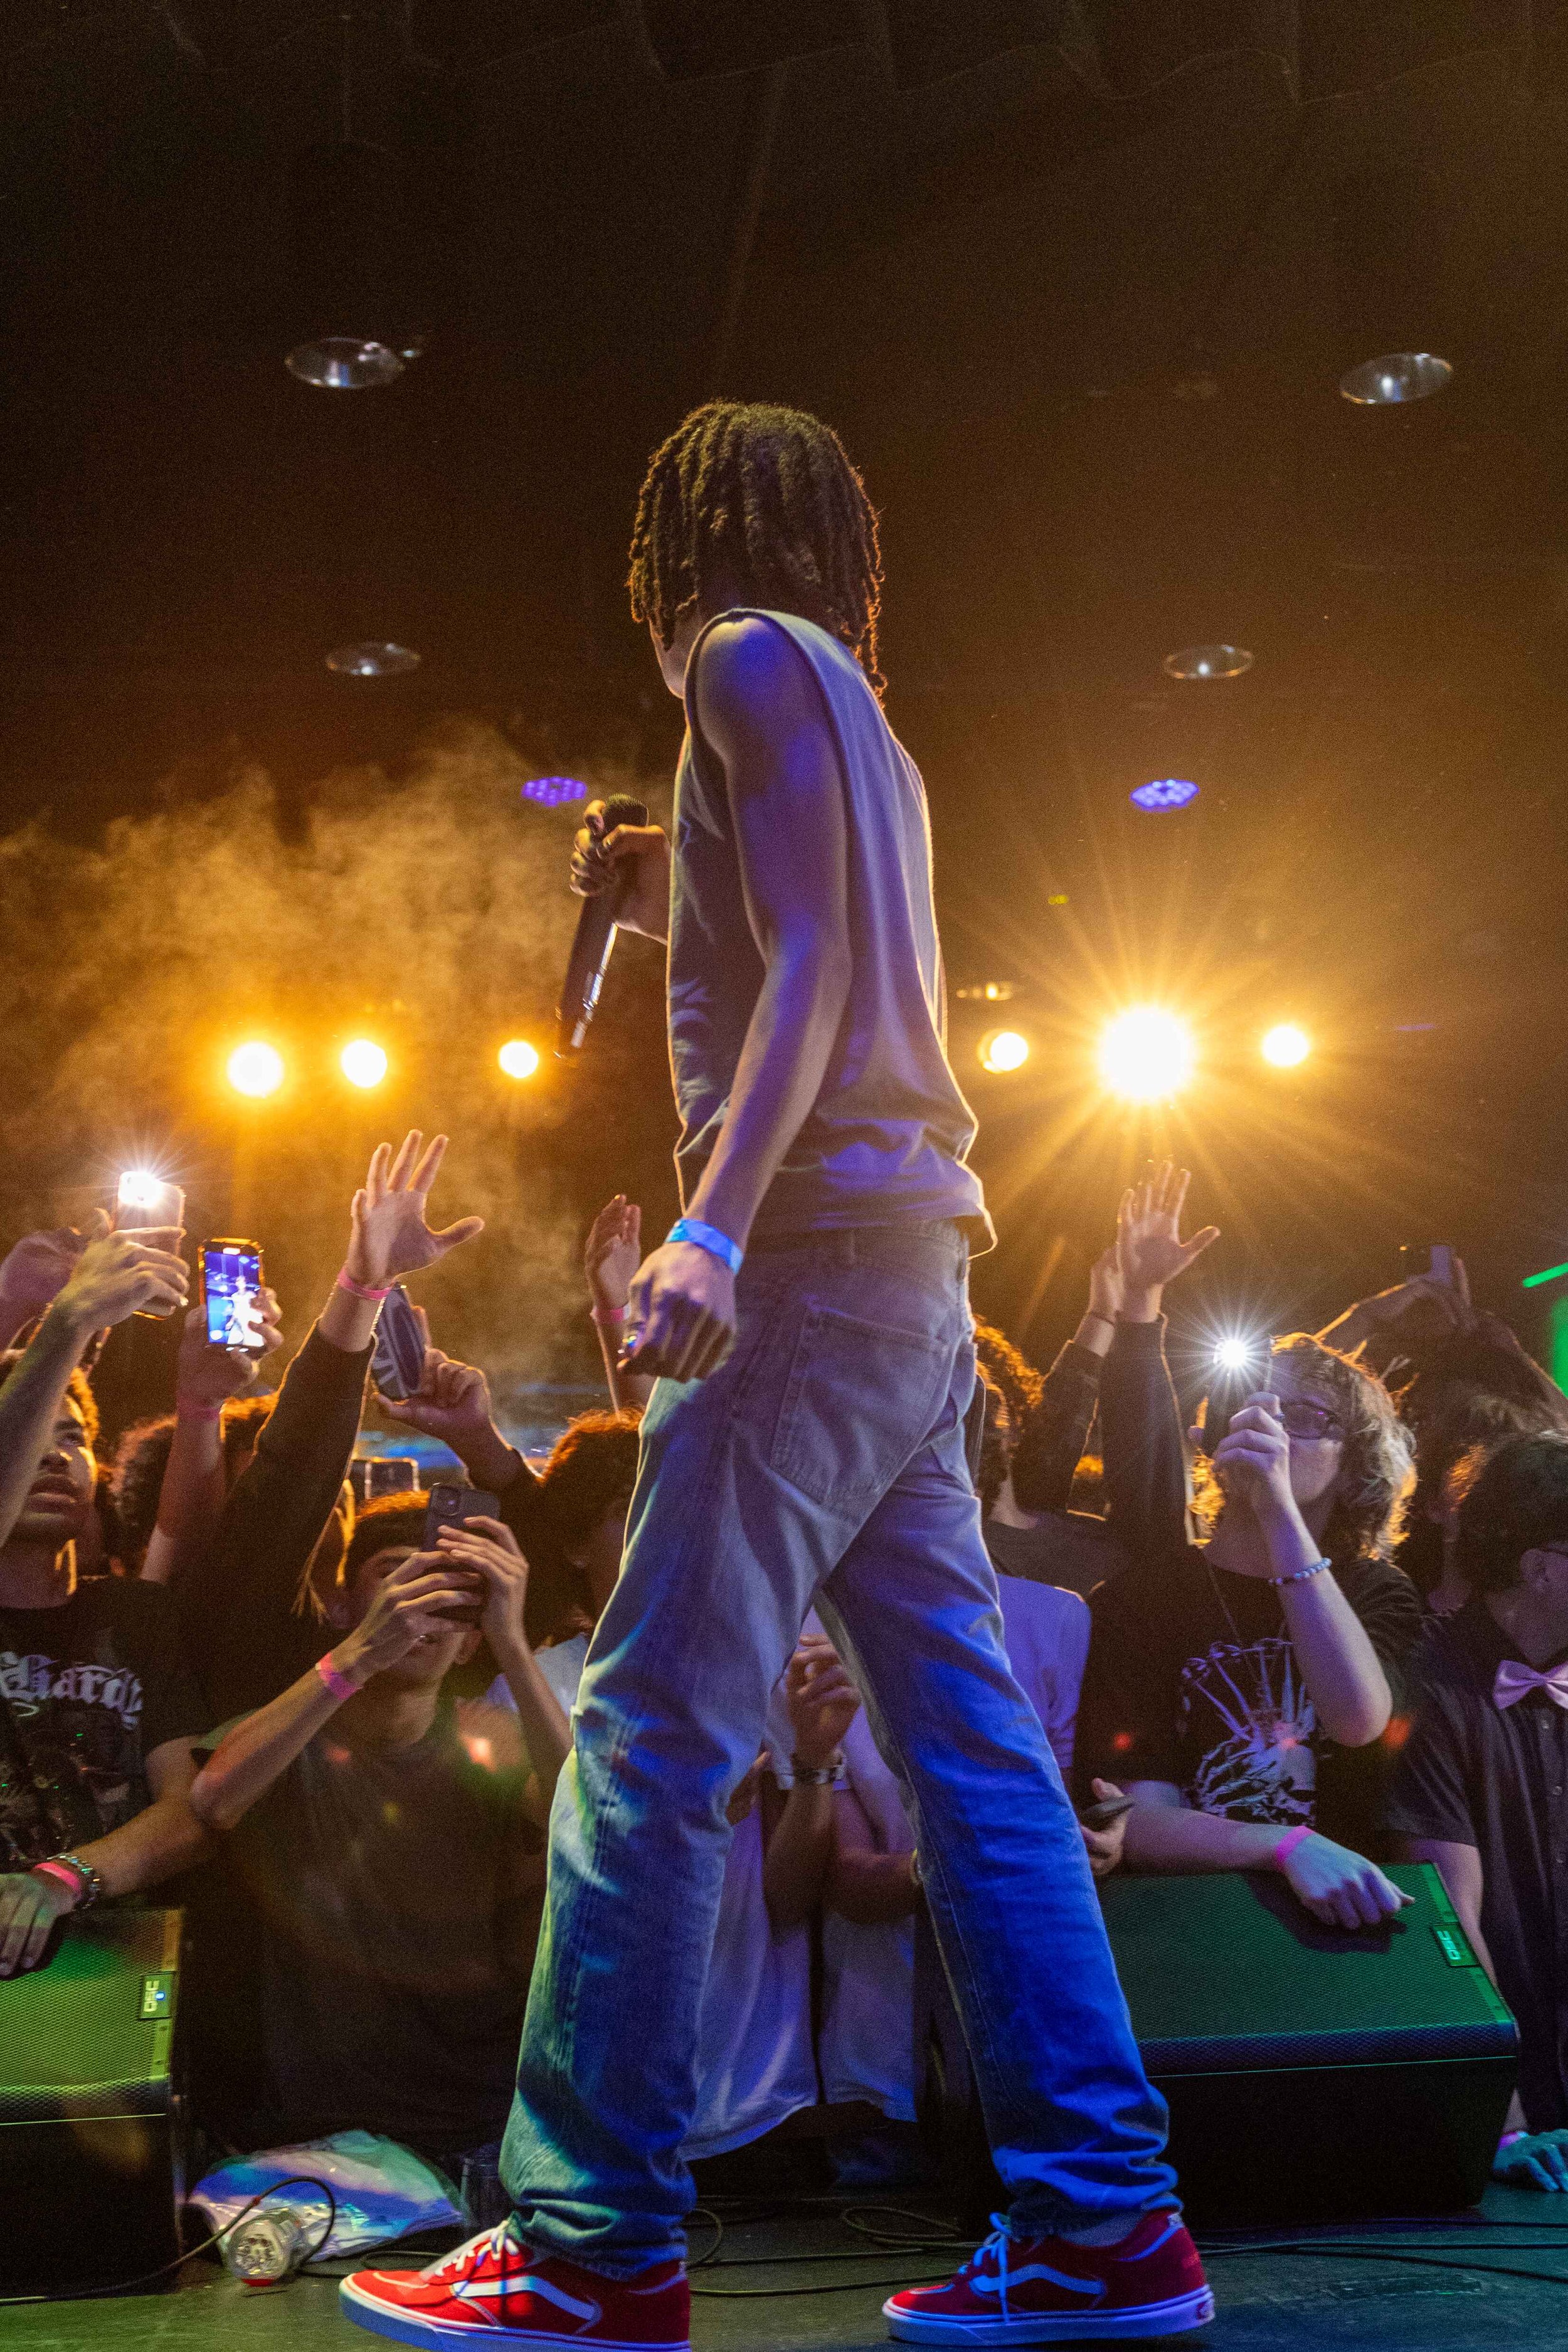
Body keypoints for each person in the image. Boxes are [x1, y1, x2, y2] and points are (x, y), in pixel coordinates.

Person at [342, 400, 1208, 2352]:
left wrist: (710, 1223)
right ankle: (1102, 2220)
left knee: (647, 1733)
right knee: (976, 1754)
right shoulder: (851, 717)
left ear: (669, 559)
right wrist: (658, 902)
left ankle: (580, 2241)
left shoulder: (743, 659)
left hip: (811, 1265)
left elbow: (813, 962)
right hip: (902, 1281)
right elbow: (814, 941)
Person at [1076, 1166, 1424, 1930]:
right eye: (1253, 1400)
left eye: (1303, 1414)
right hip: (1193, 1930)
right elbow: (1132, 1815)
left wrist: (1276, 1513)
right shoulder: (1144, 1598)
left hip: (1349, 1928)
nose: (1267, 1419)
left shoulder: (1377, 1592)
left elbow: (1358, 1720)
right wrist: (1282, 1846)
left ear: (1353, 1461)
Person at [186, 1495, 568, 2166]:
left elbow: (579, 1814)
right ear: (343, 1607)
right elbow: (214, 1799)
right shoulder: (292, 1730)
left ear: (467, 1640)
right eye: (397, 1578)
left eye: (447, 1596)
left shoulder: (492, 1738)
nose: (419, 1606)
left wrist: (510, 1636)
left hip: (470, 2115)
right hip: (310, 2125)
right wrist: (361, 1653)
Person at [0, 1221, 211, 1975]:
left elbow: (188, 1812)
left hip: (105, 1985)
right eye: (36, 1433)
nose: (54, 1452)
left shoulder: (135, 1616)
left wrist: (66, 1879)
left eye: (73, 1434)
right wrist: (65, 1323)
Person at [1385, 1433, 1568, 2191]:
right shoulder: (1429, 1686)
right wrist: (1507, 2120)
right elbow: (1446, 1919)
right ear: (1541, 1569)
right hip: (1503, 2120)